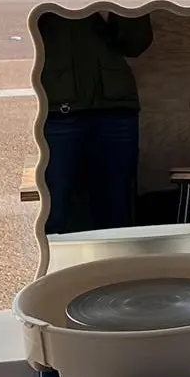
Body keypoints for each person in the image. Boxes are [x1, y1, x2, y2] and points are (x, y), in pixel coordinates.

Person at [37, 12, 154, 235]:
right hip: (54, 109)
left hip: (114, 108)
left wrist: (110, 9)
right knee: (52, 214)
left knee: (118, 218)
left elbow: (137, 42)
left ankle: (116, 260)